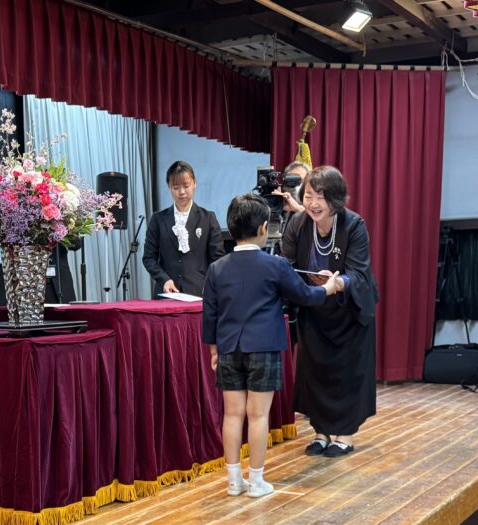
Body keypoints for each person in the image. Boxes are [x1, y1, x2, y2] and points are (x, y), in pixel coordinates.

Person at [202, 193, 338, 498]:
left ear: (231, 227)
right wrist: (328, 288)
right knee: (258, 415)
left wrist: (213, 350)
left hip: (228, 348)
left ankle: (234, 482)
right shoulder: (275, 264)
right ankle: (257, 481)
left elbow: (209, 315)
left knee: (232, 415)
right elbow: (304, 295)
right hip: (263, 347)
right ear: (264, 228)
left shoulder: (217, 268)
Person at [282, 166, 379, 458]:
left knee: (347, 373)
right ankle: (321, 433)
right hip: (314, 309)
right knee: (315, 371)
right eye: (308, 196)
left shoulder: (354, 225)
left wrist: (337, 283)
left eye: (320, 197)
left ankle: (344, 435)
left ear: (335, 199)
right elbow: (286, 265)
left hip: (349, 310)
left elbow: (359, 274)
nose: (313, 204)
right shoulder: (298, 223)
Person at [143, 160, 225, 296]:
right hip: (167, 293)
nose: (181, 192)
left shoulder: (208, 218)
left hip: (199, 293)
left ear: (194, 183)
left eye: (186, 186)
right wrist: (164, 279)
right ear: (169, 187)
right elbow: (148, 258)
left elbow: (218, 259)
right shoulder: (158, 219)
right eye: (176, 187)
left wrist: (209, 284)